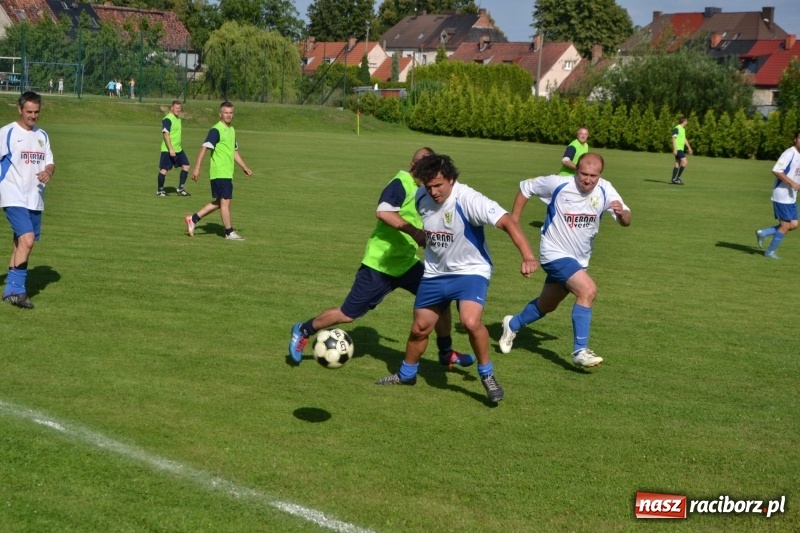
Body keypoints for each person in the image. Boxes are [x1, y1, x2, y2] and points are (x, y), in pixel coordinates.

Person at [289, 148, 475, 369]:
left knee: (441, 301)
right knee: (347, 314)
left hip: (406, 264)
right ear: (412, 165)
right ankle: (303, 330)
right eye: (423, 165)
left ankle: (446, 353)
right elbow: (384, 212)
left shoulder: (425, 190)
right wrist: (415, 232)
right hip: (379, 265)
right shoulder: (401, 183)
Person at [376, 154, 538, 403]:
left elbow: (507, 221)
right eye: (428, 186)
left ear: (451, 179)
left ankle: (487, 375)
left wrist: (528, 256)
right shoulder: (421, 197)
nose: (433, 192)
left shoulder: (469, 199)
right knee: (419, 328)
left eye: (438, 185)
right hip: (436, 273)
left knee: (470, 322)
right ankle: (406, 375)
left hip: (470, 271)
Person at [498, 153, 631, 368]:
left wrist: (622, 214)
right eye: (584, 174)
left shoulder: (606, 189)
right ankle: (580, 351)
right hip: (553, 253)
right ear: (576, 170)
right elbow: (526, 187)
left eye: (593, 176)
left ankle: (512, 324)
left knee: (547, 305)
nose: (587, 180)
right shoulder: (558, 183)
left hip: (579, 259)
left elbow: (626, 220)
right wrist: (514, 220)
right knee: (588, 290)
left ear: (600, 175)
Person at [0, 91, 55, 309]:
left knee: (21, 243)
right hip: (12, 194)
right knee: (28, 238)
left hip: (35, 196)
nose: (33, 116)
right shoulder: (7, 132)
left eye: (36, 112)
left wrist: (48, 171)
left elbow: (50, 161)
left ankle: (9, 291)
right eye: (29, 111)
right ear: (20, 109)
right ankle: (18, 291)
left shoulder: (42, 135)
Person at [185, 101, 251, 240]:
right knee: (225, 201)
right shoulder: (216, 130)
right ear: (220, 114)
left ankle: (193, 219)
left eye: (231, 113)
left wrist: (244, 167)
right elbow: (204, 148)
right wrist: (197, 168)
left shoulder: (231, 130)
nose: (228, 115)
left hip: (227, 173)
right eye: (226, 113)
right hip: (219, 172)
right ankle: (229, 232)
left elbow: (233, 151)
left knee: (221, 202)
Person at [755, 129, 800, 259]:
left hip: (791, 196)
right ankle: (769, 252)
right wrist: (792, 183)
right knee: (785, 226)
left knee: (794, 225)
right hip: (782, 195)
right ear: (795, 139)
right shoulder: (789, 153)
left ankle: (763, 233)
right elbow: (776, 170)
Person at [157, 100, 191, 197]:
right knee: (164, 170)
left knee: (186, 166)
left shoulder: (178, 119)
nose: (178, 110)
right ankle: (160, 190)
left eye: (179, 108)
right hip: (168, 149)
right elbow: (166, 134)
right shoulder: (167, 119)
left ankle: (180, 189)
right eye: (176, 108)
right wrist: (171, 149)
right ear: (172, 108)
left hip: (178, 149)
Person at [670, 116, 693, 185]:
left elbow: (684, 139)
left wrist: (689, 147)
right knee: (685, 162)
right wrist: (675, 149)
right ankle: (677, 178)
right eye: (686, 121)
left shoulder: (683, 129)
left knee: (678, 163)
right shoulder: (676, 128)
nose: (687, 122)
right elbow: (673, 138)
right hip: (678, 149)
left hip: (680, 149)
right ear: (684, 121)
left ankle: (674, 179)